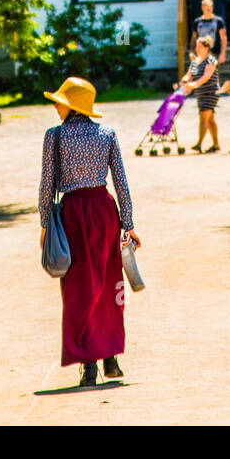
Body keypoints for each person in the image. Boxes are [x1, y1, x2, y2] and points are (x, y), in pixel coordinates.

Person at [38, 76, 138, 388]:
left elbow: (47, 184)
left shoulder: (54, 137)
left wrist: (44, 224)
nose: (55, 106)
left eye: (59, 101)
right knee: (110, 284)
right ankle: (110, 358)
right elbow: (120, 180)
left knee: (79, 289)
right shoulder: (106, 134)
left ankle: (90, 366)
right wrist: (129, 224)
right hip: (105, 212)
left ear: (70, 105)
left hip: (73, 217)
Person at [177, 35, 221, 152]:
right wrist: (183, 82)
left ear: (206, 48)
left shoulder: (211, 60)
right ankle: (216, 145)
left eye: (199, 46)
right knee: (210, 120)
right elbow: (188, 75)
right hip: (200, 94)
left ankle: (199, 144)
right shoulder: (195, 62)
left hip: (210, 93)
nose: (197, 48)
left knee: (203, 117)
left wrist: (194, 84)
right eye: (196, 46)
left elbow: (206, 76)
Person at [192, 0, 227, 64]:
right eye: (206, 6)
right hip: (201, 54)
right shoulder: (197, 22)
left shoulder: (218, 21)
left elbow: (223, 38)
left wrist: (223, 53)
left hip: (214, 53)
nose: (209, 8)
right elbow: (193, 38)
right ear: (202, 8)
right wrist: (191, 51)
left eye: (210, 6)